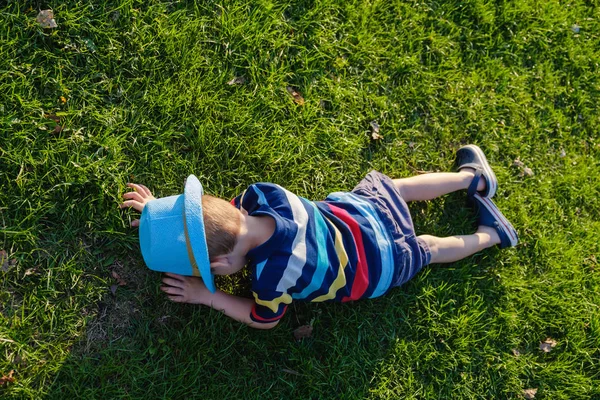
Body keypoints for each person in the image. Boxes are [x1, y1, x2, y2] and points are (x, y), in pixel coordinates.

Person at [121, 145, 517, 330]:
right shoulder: (261, 195)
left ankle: (490, 235)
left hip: (374, 266)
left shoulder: (272, 277)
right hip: (361, 217)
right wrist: (165, 217)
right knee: (399, 188)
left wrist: (209, 295)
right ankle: (473, 178)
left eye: (213, 272)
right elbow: (214, 219)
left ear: (221, 266)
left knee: (428, 249)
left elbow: (265, 319)